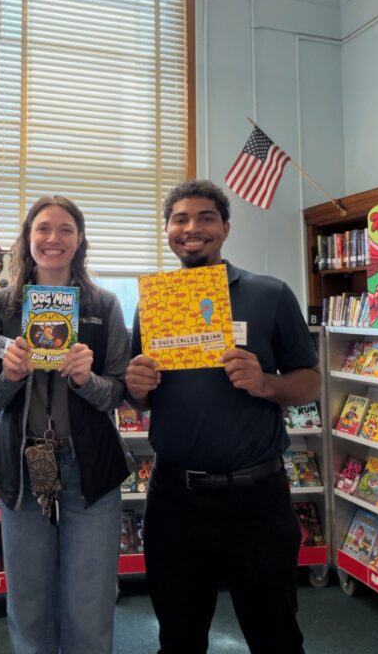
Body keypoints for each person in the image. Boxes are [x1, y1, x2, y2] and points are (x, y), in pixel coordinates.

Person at [125, 179, 320, 654]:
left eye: (206, 218)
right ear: (168, 231)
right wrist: (136, 389)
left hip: (256, 498)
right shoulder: (154, 304)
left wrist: (266, 383)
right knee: (179, 637)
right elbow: (143, 400)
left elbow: (310, 381)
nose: (192, 228)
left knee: (275, 636)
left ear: (226, 228)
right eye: (180, 219)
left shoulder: (269, 294)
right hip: (175, 497)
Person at [0, 195, 131, 654]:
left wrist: (86, 380)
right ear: (27, 238)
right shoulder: (1, 306)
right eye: (43, 228)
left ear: (80, 240)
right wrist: (8, 379)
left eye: (66, 229)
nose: (53, 238)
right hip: (25, 468)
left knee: (90, 604)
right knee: (29, 603)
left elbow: (117, 392)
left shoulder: (103, 304)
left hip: (90, 470)